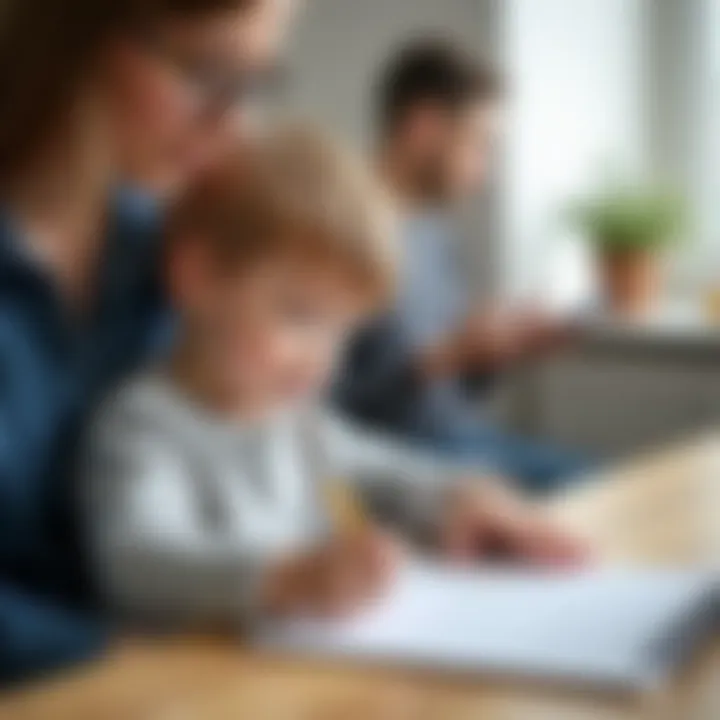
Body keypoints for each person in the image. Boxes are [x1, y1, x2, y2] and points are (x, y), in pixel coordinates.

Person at [82, 127, 587, 627]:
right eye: (300, 314)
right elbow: (135, 557)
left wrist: (463, 499)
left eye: (342, 331)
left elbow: (388, 473)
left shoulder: (299, 425)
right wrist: (285, 579)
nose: (322, 358)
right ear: (197, 276)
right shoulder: (141, 427)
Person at [0, 0, 297, 684]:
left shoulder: (166, 255)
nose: (231, 124)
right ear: (83, 32)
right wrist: (124, 657)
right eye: (207, 72)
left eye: (255, 83)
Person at [336, 40, 586, 493]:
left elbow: (449, 391)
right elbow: (323, 411)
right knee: (583, 488)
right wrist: (443, 357)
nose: (484, 171)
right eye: (479, 144)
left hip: (460, 440)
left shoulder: (433, 230)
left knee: (605, 479)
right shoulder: (337, 231)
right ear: (425, 127)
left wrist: (488, 355)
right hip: (397, 459)